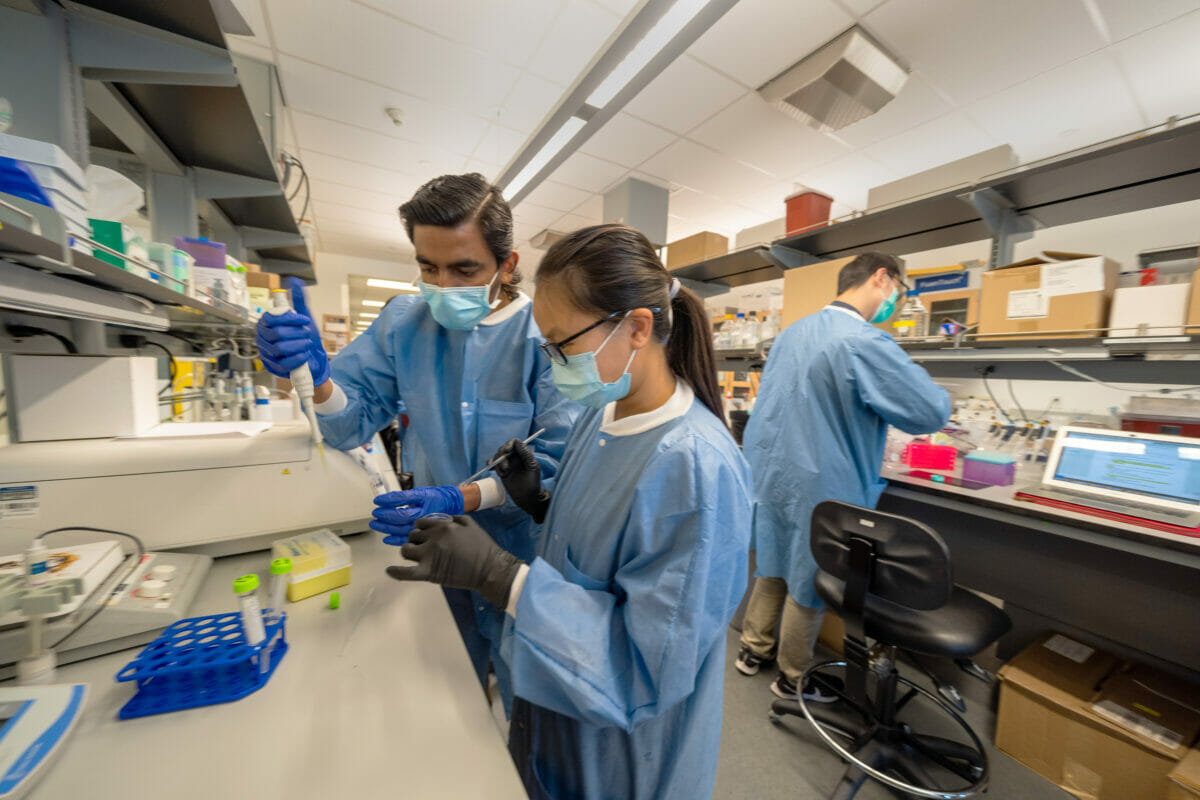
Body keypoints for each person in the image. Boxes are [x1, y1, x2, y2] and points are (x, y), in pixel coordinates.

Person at [384, 224, 753, 799]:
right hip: (553, 719)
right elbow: (601, 542)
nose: (553, 363)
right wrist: (539, 500)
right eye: (545, 346)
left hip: (622, 761)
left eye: (562, 345)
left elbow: (643, 668)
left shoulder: (696, 470)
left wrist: (498, 575)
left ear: (636, 327)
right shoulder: (601, 413)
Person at [254, 173, 579, 713]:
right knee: (450, 698)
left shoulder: (543, 335)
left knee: (534, 710)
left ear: (508, 262)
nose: (443, 285)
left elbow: (557, 458)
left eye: (464, 268)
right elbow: (350, 422)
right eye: (428, 267)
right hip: (438, 553)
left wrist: (463, 497)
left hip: (521, 555)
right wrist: (316, 377)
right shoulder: (404, 322)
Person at [735, 251, 951, 702]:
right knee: (809, 578)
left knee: (772, 562)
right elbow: (927, 411)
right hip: (822, 481)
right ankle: (793, 676)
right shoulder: (862, 341)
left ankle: (753, 650)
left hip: (773, 471)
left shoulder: (792, 333)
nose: (896, 301)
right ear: (881, 278)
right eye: (899, 291)